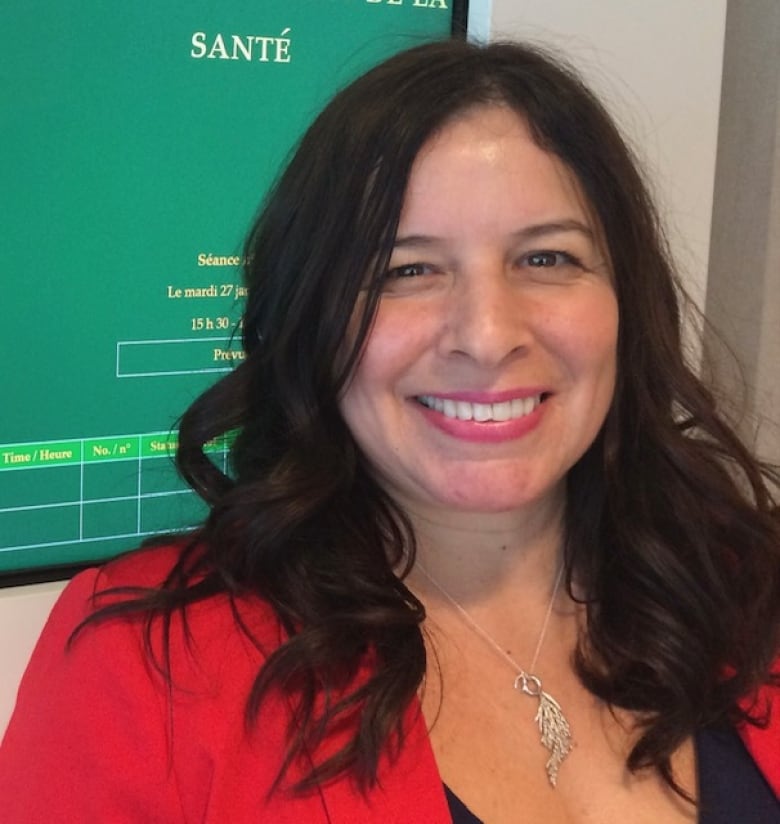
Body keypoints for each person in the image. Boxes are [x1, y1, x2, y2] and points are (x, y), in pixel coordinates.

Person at [1, 38, 779, 823]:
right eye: (406, 271)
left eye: (546, 258)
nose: (486, 333)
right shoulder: (143, 668)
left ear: (626, 303)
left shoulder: (747, 590)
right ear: (314, 320)